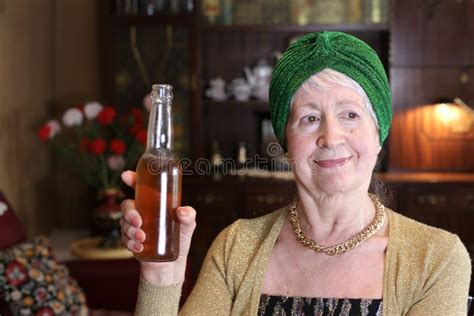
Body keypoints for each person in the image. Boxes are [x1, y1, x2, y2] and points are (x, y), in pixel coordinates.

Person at [120, 32, 471, 315]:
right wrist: (161, 273)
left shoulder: (437, 258)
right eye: (309, 118)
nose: (331, 137)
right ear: (285, 141)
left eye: (350, 115)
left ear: (379, 134)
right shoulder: (236, 247)